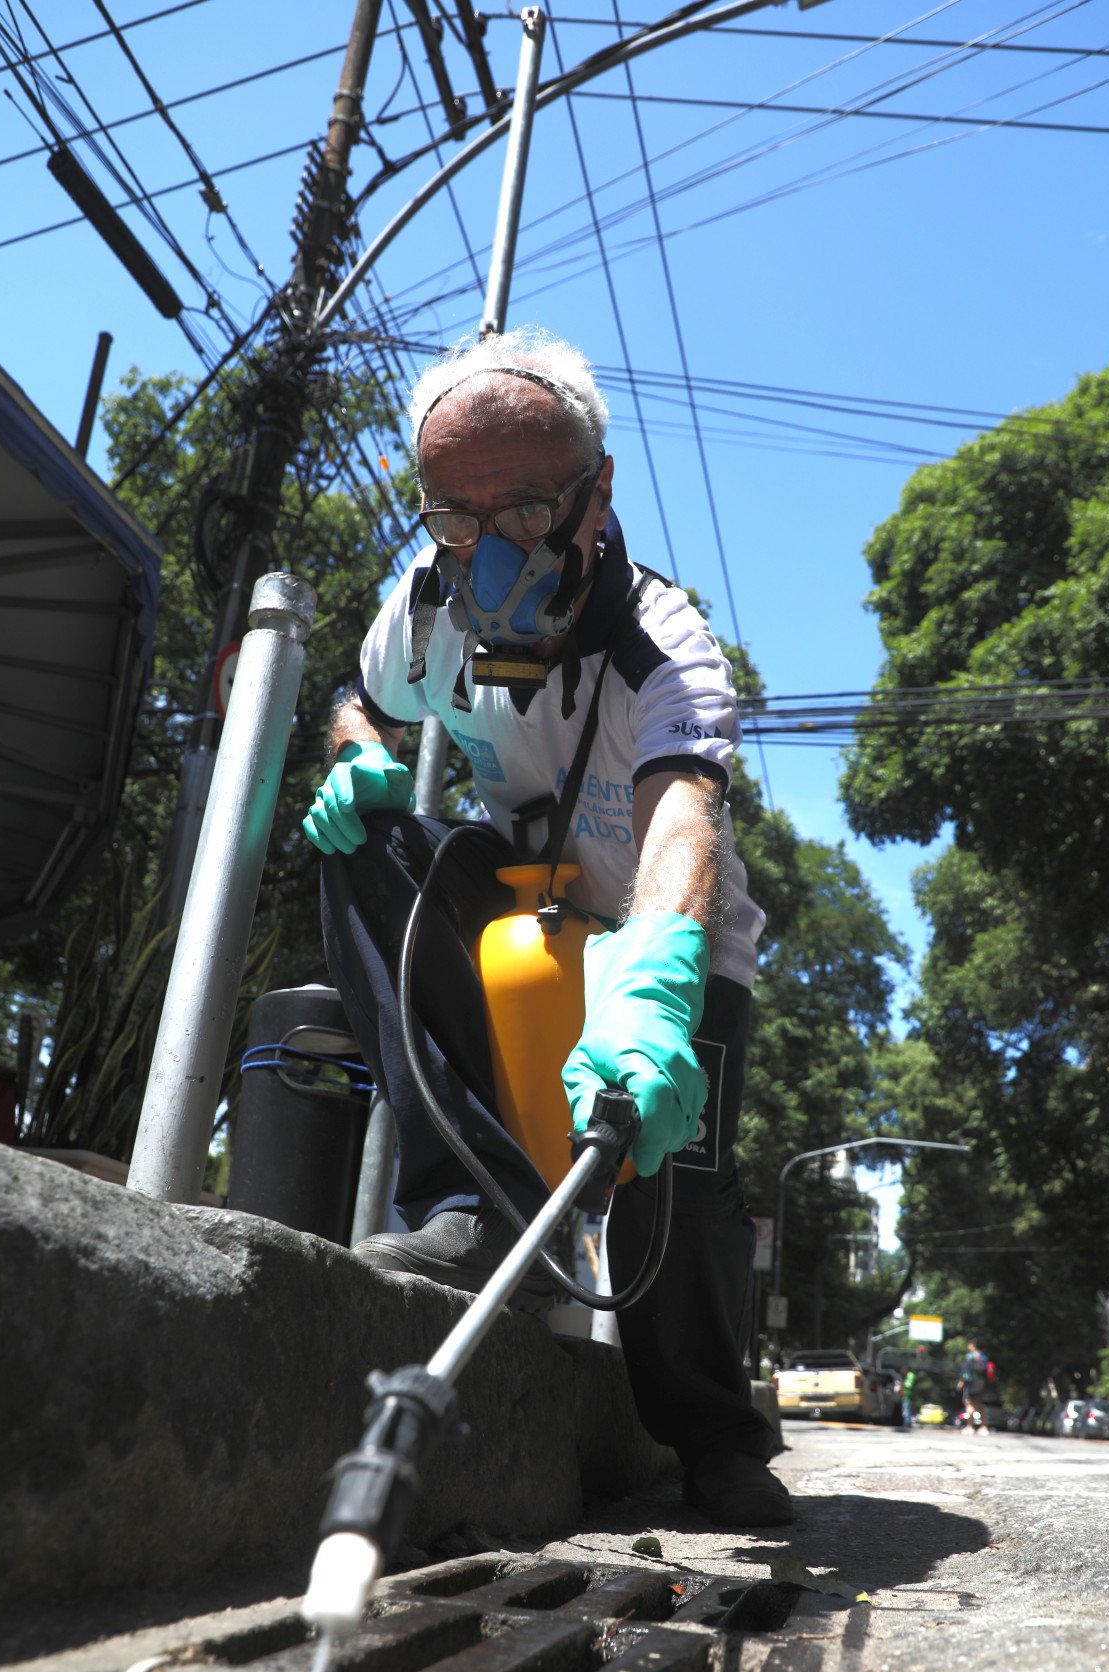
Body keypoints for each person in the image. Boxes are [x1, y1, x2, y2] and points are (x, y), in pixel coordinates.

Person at [302, 327, 791, 1531]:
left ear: (594, 494)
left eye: (522, 508)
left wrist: (660, 977)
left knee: (668, 1176)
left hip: (661, 929)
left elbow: (684, 817)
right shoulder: (423, 607)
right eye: (453, 515)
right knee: (363, 851)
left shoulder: (663, 647)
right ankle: (471, 1211)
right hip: (524, 899)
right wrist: (360, 759)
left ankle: (713, 1439)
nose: (483, 551)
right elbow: (355, 697)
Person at [959, 1339, 989, 1433]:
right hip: (981, 1384)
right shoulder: (983, 1357)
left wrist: (961, 1381)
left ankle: (969, 1427)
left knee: (969, 1404)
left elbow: (966, 1371)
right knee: (979, 1406)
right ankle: (984, 1427)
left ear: (973, 1345)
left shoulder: (969, 1356)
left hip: (970, 1384)